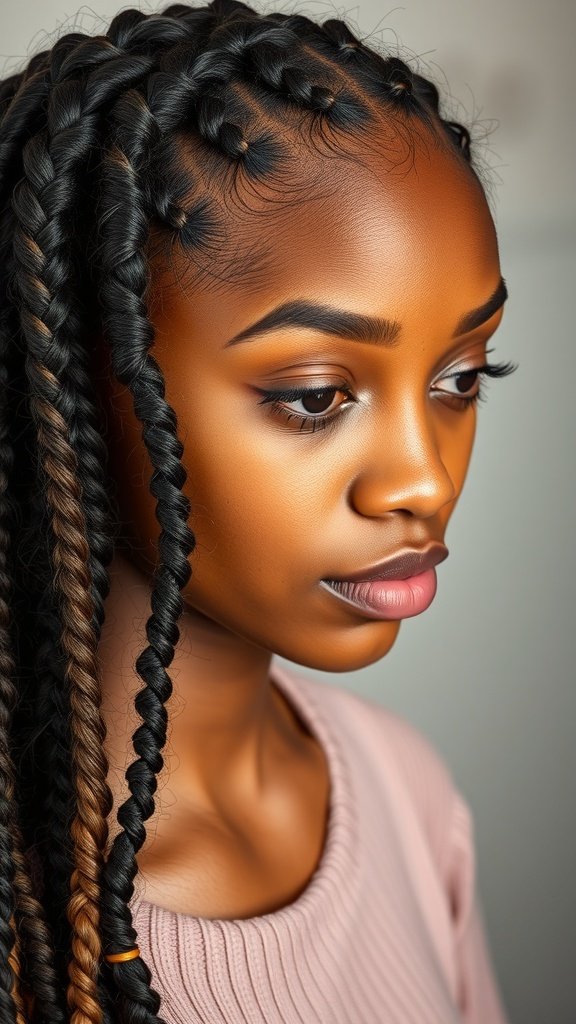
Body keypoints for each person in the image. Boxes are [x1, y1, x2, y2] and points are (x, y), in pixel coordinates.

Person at [0, 0, 518, 1021]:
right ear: (77, 379)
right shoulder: (30, 936)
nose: (423, 481)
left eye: (461, 376)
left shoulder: (403, 788)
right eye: (316, 396)